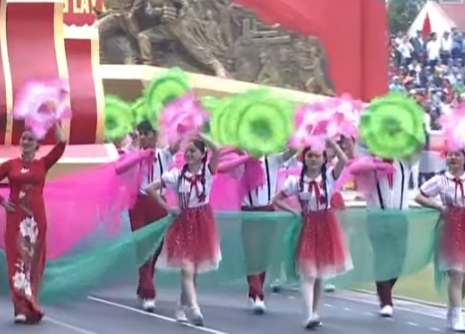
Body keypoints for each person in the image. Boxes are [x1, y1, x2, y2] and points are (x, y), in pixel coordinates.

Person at [0, 122, 68, 324]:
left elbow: (62, 145)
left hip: (37, 220)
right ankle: (20, 307)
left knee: (34, 263)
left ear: (38, 144)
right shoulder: (10, 165)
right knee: (16, 261)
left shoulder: (42, 164)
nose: (26, 142)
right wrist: (2, 202)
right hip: (16, 219)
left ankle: (32, 303)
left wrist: (55, 125)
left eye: (31, 139)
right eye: (24, 138)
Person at [142, 135, 220, 327]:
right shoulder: (177, 175)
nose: (188, 154)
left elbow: (217, 149)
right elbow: (150, 188)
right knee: (186, 268)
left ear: (203, 155)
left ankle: (181, 305)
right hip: (183, 222)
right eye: (187, 151)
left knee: (194, 272)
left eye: (193, 151)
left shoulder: (208, 172)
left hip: (203, 222)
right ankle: (194, 308)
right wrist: (168, 207)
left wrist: (199, 134)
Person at [414, 148, 465, 333]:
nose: (452, 157)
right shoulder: (440, 180)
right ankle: (457, 317)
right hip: (450, 227)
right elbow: (419, 196)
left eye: (457, 154)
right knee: (456, 274)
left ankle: (452, 309)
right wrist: (438, 206)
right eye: (450, 154)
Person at [272, 144, 351, 329]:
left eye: (317, 156)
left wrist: (332, 143)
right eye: (310, 156)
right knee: (309, 274)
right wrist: (293, 211)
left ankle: (315, 313)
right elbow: (276, 199)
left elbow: (344, 161)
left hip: (326, 226)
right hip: (307, 226)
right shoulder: (295, 182)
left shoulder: (329, 177)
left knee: (320, 276)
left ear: (324, 159)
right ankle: (307, 315)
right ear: (303, 158)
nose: (313, 159)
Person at [219, 148, 293, 314]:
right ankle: (258, 294)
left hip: (267, 211)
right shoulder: (241, 163)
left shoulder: (273, 159)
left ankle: (255, 292)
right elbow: (220, 167)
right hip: (249, 212)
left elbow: (292, 151)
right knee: (251, 254)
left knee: (264, 255)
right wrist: (242, 156)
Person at [113, 120, 172, 312]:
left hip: (158, 204)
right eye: (141, 134)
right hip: (138, 204)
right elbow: (118, 169)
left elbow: (179, 143)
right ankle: (149, 292)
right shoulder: (132, 153)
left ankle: (143, 286)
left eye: (148, 134)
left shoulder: (164, 155)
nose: (144, 137)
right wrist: (139, 154)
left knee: (155, 249)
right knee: (143, 246)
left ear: (155, 135)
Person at [358, 148, 420, 318]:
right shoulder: (370, 163)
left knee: (398, 261)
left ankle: (383, 289)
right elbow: (356, 170)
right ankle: (386, 301)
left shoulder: (404, 161)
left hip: (399, 218)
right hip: (377, 218)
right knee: (382, 259)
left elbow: (418, 146)